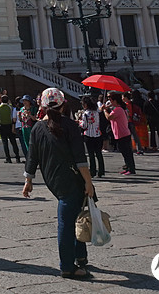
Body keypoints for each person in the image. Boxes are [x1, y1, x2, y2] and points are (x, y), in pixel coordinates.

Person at [22, 87, 96, 280]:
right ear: (63, 104)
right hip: (71, 180)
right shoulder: (69, 125)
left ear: (43, 106)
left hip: (52, 180)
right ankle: (67, 266)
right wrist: (89, 182)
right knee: (66, 221)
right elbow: (80, 159)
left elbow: (32, 157)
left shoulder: (37, 128)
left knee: (75, 214)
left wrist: (28, 180)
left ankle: (80, 256)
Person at [103, 92, 135, 175]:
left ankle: (131, 168)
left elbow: (109, 117)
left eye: (111, 100)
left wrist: (105, 110)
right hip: (121, 133)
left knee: (127, 152)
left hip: (122, 134)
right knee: (124, 152)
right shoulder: (119, 109)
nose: (110, 102)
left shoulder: (118, 109)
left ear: (115, 101)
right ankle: (128, 167)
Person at [77, 96, 105, 178]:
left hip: (89, 134)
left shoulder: (85, 114)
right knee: (99, 153)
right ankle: (101, 170)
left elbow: (84, 125)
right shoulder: (96, 112)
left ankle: (93, 171)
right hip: (97, 134)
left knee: (91, 154)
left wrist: (79, 122)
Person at [0, 94, 21, 163]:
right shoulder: (10, 107)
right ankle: (17, 157)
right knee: (13, 142)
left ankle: (8, 158)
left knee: (5, 143)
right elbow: (10, 103)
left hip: (2, 126)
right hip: (10, 126)